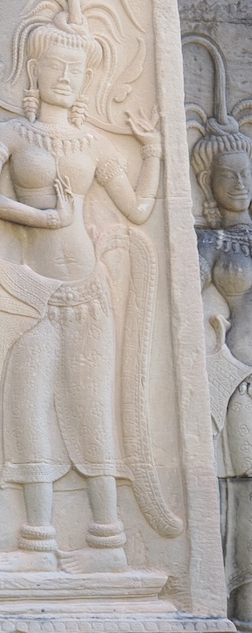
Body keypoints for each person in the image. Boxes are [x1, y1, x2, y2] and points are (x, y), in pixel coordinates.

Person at [0, 0, 165, 573]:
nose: (65, 77)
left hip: (87, 293)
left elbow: (138, 209)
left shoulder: (94, 144)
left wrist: (154, 152)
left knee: (90, 410)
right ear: (34, 69)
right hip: (30, 290)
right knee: (26, 407)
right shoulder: (6, 133)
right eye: (56, 66)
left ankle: (107, 541)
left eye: (76, 70)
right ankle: (38, 540)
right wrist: (43, 217)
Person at [188, 33, 252, 622]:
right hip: (229, 378)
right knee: (233, 482)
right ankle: (235, 592)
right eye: (227, 175)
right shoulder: (206, 241)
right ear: (208, 181)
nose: (238, 185)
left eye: (246, 174)